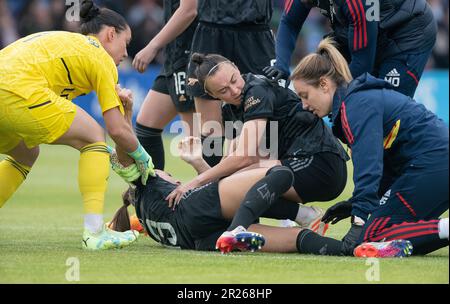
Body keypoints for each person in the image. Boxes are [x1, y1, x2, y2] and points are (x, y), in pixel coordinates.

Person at [0, 0, 155, 250]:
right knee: (94, 135)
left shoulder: (70, 45)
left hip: (7, 89)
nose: (126, 53)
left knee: (25, 153)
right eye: (125, 44)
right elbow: (115, 130)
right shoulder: (99, 56)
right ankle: (94, 234)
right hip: (17, 89)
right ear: (110, 34)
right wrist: (143, 156)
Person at [108, 136, 414, 258]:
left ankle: (358, 251)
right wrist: (125, 107)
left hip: (203, 239)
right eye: (165, 175)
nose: (169, 176)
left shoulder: (149, 214)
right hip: (199, 211)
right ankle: (296, 215)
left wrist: (197, 164)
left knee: (298, 240)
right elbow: (123, 143)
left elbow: (224, 189)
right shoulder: (146, 183)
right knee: (280, 174)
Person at [289, 37, 449, 256]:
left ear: (324, 84)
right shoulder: (355, 101)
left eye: (304, 96)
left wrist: (359, 218)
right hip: (434, 164)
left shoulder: (355, 106)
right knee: (387, 236)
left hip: (433, 164)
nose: (304, 105)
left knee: (371, 237)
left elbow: (370, 164)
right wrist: (354, 203)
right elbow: (388, 164)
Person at [166, 53, 349, 217]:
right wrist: (197, 161)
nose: (234, 90)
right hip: (297, 165)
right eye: (224, 91)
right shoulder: (230, 110)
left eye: (234, 80)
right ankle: (303, 216)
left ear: (237, 68)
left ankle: (300, 215)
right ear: (213, 96)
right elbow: (227, 166)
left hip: (321, 164)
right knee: (229, 187)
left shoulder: (257, 91)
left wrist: (194, 183)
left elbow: (244, 158)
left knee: (234, 187)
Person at [265, 0, 437, 98]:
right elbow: (289, 22)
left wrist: (340, 99)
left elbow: (363, 64)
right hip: (367, 28)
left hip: (407, 35)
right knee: (319, 72)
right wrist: (281, 65)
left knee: (389, 111)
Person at [186, 0, 276, 167]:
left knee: (268, 121)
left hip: (255, 30)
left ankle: (266, 186)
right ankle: (211, 187)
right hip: (210, 27)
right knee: (211, 126)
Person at [131, 0, 198, 170]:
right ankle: (155, 190)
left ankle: (213, 193)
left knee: (196, 142)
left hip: (190, 55)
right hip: (175, 56)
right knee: (147, 126)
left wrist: (153, 46)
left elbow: (189, 10)